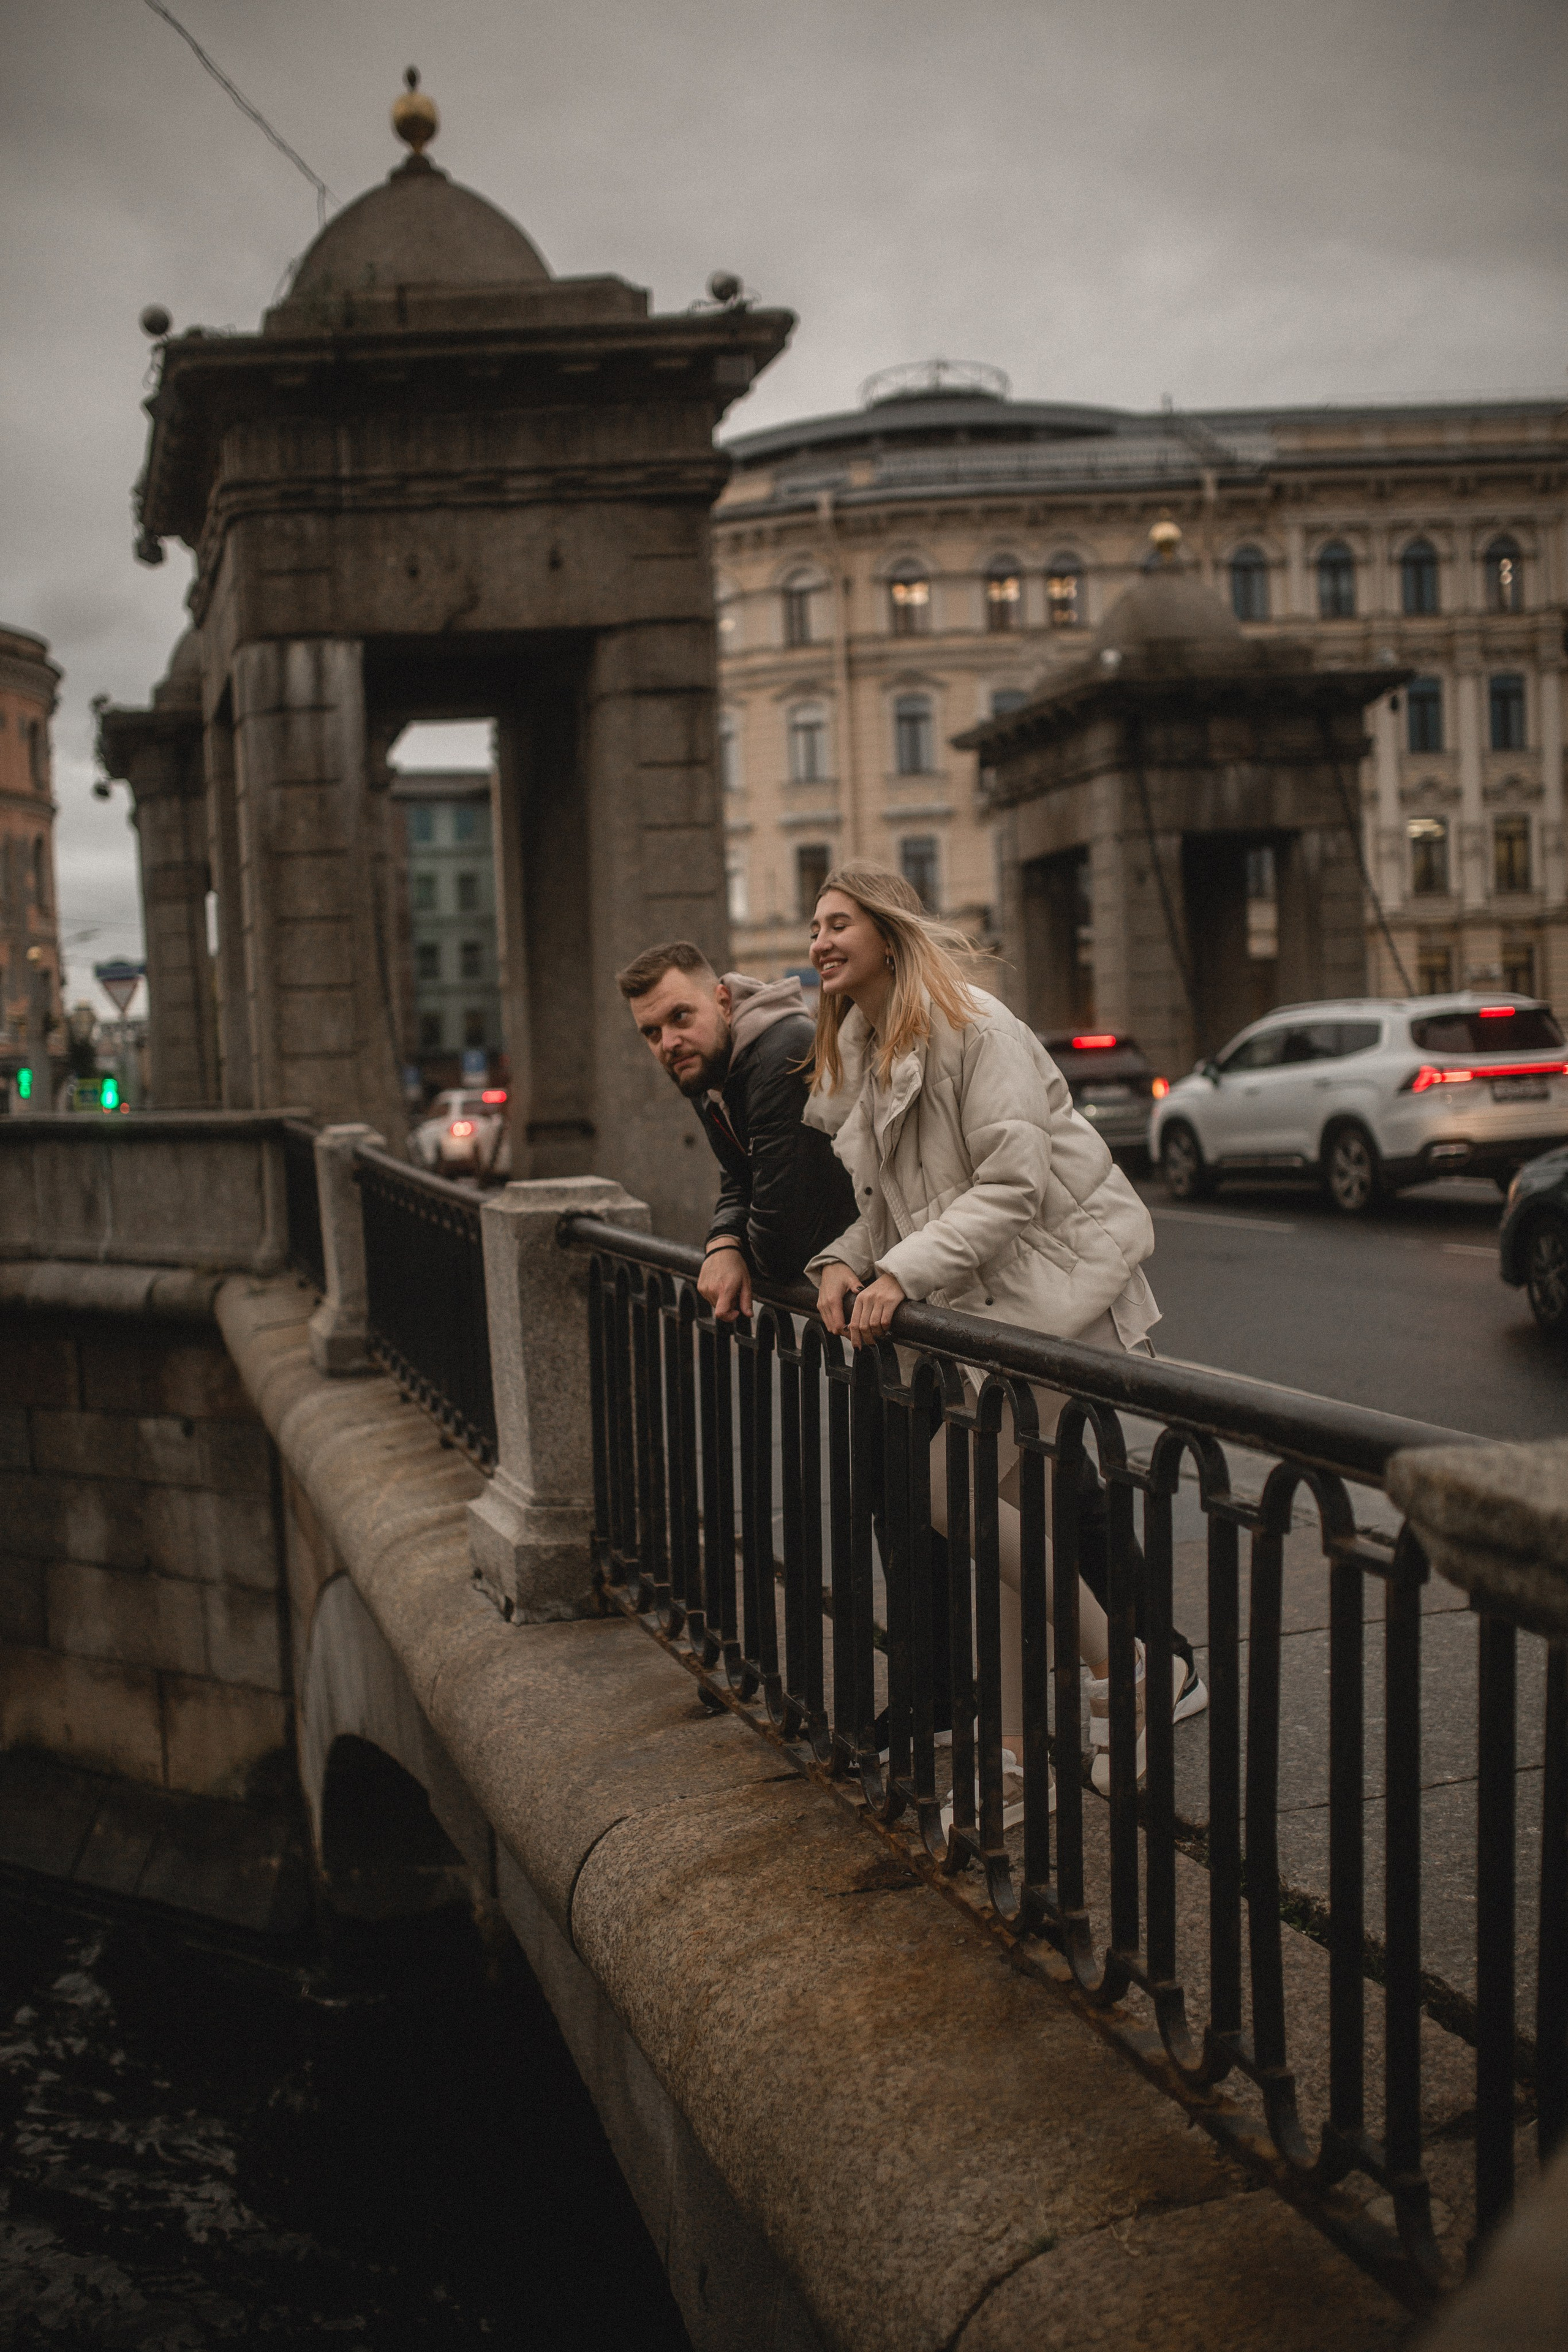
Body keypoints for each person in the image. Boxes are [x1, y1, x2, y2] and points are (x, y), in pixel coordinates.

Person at [802, 862, 1205, 1823]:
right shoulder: (867, 1046)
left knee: (953, 1491)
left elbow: (1013, 1187)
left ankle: (1126, 1669)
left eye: (837, 923)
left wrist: (900, 1274)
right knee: (1007, 1531)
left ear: (889, 933)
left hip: (1061, 1305)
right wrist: (838, 1263)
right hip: (996, 1318)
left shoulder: (977, 1028)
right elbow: (890, 1205)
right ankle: (1014, 1764)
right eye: (812, 926)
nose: (817, 941)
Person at [616, 941, 856, 1322]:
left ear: (724, 1002)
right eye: (652, 1033)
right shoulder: (708, 1068)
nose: (669, 1043)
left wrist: (733, 1252)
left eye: (680, 1017)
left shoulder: (781, 1055)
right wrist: (723, 1242)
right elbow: (740, 1182)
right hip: (839, 1293)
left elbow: (783, 1242)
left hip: (877, 1282)